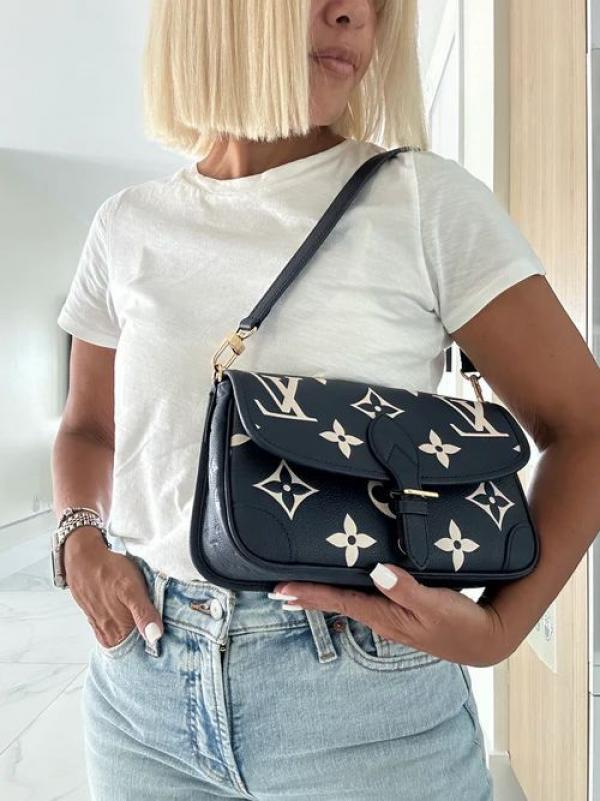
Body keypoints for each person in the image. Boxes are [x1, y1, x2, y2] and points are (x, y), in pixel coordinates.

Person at [51, 1, 600, 799]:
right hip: (143, 691)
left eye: (373, 3)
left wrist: (501, 629)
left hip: (361, 693)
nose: (353, 13)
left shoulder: (423, 201)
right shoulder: (126, 225)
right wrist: (77, 538)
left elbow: (585, 426)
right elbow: (88, 428)